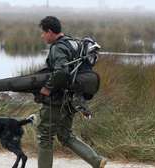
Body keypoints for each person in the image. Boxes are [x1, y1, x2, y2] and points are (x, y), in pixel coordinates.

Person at [35, 16, 107, 168]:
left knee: (45, 136)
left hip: (56, 99)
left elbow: (61, 71)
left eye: (43, 33)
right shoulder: (73, 42)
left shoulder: (58, 47)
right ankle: (96, 160)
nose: (42, 36)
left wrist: (47, 88)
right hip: (72, 98)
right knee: (65, 135)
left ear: (49, 31)